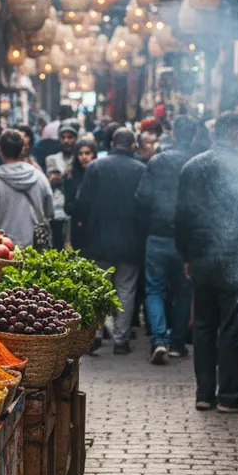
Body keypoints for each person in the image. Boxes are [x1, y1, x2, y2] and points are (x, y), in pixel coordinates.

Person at [175, 112, 238, 412]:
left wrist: (186, 256)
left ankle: (204, 395)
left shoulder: (191, 167)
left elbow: (180, 218)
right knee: (233, 326)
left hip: (201, 258)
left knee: (205, 325)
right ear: (235, 135)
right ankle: (230, 396)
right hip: (233, 258)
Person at [71, 128, 145, 354]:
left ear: (113, 142)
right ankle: (121, 340)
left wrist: (80, 233)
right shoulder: (141, 169)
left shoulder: (96, 167)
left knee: (99, 289)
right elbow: (145, 206)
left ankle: (95, 335)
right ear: (132, 145)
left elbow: (81, 204)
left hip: (98, 240)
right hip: (130, 242)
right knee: (126, 290)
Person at [136, 116, 198, 364]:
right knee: (184, 291)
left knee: (154, 289)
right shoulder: (196, 162)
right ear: (192, 136)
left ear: (172, 134)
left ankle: (159, 340)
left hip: (158, 235)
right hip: (186, 240)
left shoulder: (157, 161)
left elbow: (142, 196)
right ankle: (178, 342)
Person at [0, 129, 54, 248]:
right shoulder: (39, 176)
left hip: (4, 251)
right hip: (36, 251)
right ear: (22, 149)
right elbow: (50, 211)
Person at [45, 118, 79, 248]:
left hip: (73, 212)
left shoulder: (79, 159)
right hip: (56, 210)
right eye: (63, 137)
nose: (66, 141)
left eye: (70, 137)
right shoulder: (52, 159)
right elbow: (52, 180)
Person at [63, 137, 97, 252]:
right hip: (78, 229)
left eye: (87, 153)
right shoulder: (70, 177)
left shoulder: (100, 174)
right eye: (81, 154)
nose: (84, 157)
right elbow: (68, 206)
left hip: (97, 228)